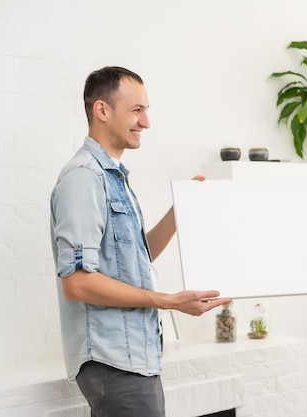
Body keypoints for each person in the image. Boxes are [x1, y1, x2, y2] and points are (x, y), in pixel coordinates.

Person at [50, 66, 230, 417]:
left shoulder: (113, 177)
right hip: (115, 361)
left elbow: (137, 256)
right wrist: (169, 301)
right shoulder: (84, 179)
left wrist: (181, 209)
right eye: (136, 110)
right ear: (103, 110)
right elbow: (77, 283)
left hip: (132, 357)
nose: (146, 122)